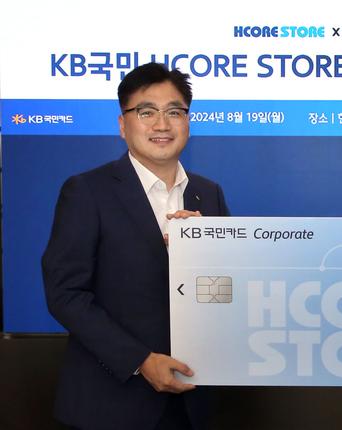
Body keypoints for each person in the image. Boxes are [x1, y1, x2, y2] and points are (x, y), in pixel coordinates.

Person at [42, 62, 229, 430]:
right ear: (122, 124)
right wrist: (142, 361)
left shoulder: (208, 194)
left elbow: (225, 294)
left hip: (192, 400)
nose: (162, 124)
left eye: (174, 112)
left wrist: (208, 255)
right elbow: (64, 294)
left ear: (188, 121)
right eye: (146, 112)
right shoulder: (87, 191)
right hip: (112, 403)